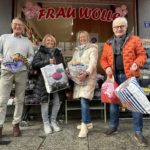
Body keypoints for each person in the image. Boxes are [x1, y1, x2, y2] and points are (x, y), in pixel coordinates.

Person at [100, 17, 147, 147]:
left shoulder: (135, 40)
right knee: (113, 104)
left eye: (121, 26)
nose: (119, 29)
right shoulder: (108, 43)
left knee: (135, 105)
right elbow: (103, 59)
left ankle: (138, 131)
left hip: (130, 77)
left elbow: (143, 55)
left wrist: (137, 63)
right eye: (116, 27)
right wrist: (107, 67)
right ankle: (113, 126)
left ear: (126, 27)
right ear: (113, 28)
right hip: (114, 78)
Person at [0, 17, 34, 137]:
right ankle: (0, 125)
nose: (18, 26)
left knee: (20, 100)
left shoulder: (27, 41)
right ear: (11, 25)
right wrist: (3, 60)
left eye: (20, 25)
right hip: (6, 71)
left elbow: (31, 56)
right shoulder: (4, 38)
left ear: (23, 27)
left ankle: (16, 125)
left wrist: (24, 61)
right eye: (15, 24)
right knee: (2, 100)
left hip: (21, 72)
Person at [32, 34, 65, 134]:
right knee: (45, 102)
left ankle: (53, 121)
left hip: (56, 80)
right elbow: (34, 64)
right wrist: (47, 61)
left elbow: (63, 65)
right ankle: (46, 124)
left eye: (52, 41)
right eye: (48, 41)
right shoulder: (39, 52)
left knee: (57, 101)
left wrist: (60, 66)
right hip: (43, 81)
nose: (50, 42)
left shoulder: (58, 52)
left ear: (54, 43)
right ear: (44, 42)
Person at [68, 31, 98, 138]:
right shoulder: (77, 50)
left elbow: (93, 63)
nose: (82, 39)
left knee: (84, 99)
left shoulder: (93, 48)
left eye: (84, 37)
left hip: (88, 77)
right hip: (78, 78)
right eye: (80, 37)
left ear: (88, 37)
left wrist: (86, 72)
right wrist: (69, 67)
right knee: (82, 99)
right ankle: (88, 122)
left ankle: (84, 126)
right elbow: (73, 61)